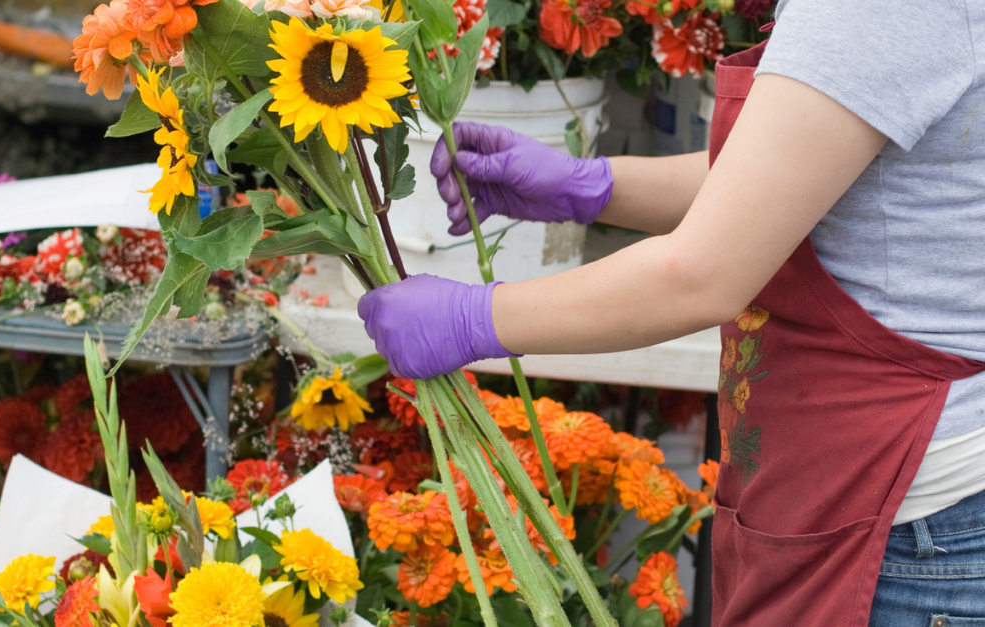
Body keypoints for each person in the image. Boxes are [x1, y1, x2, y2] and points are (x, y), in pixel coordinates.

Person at [356, 1, 985, 625]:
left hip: (903, 522)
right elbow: (787, 174)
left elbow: (701, 276)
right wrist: (592, 184)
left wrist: (474, 318)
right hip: (844, 486)